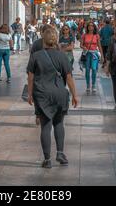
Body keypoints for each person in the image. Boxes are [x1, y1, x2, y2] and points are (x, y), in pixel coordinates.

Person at [27, 27, 78, 168]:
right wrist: (75, 95)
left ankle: (47, 159)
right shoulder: (62, 56)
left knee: (45, 126)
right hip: (60, 94)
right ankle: (60, 153)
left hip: (42, 94)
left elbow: (30, 78)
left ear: (43, 40)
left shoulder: (35, 56)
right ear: (55, 41)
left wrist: (30, 94)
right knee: (59, 123)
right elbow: (69, 78)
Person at [81, 22, 104, 94]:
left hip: (94, 54)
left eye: (92, 26)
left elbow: (99, 46)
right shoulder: (84, 35)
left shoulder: (96, 35)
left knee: (94, 69)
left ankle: (93, 85)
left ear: (94, 27)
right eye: (89, 26)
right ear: (87, 27)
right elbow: (81, 45)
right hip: (87, 54)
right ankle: (88, 85)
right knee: (87, 70)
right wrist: (83, 47)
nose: (90, 27)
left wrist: (102, 56)